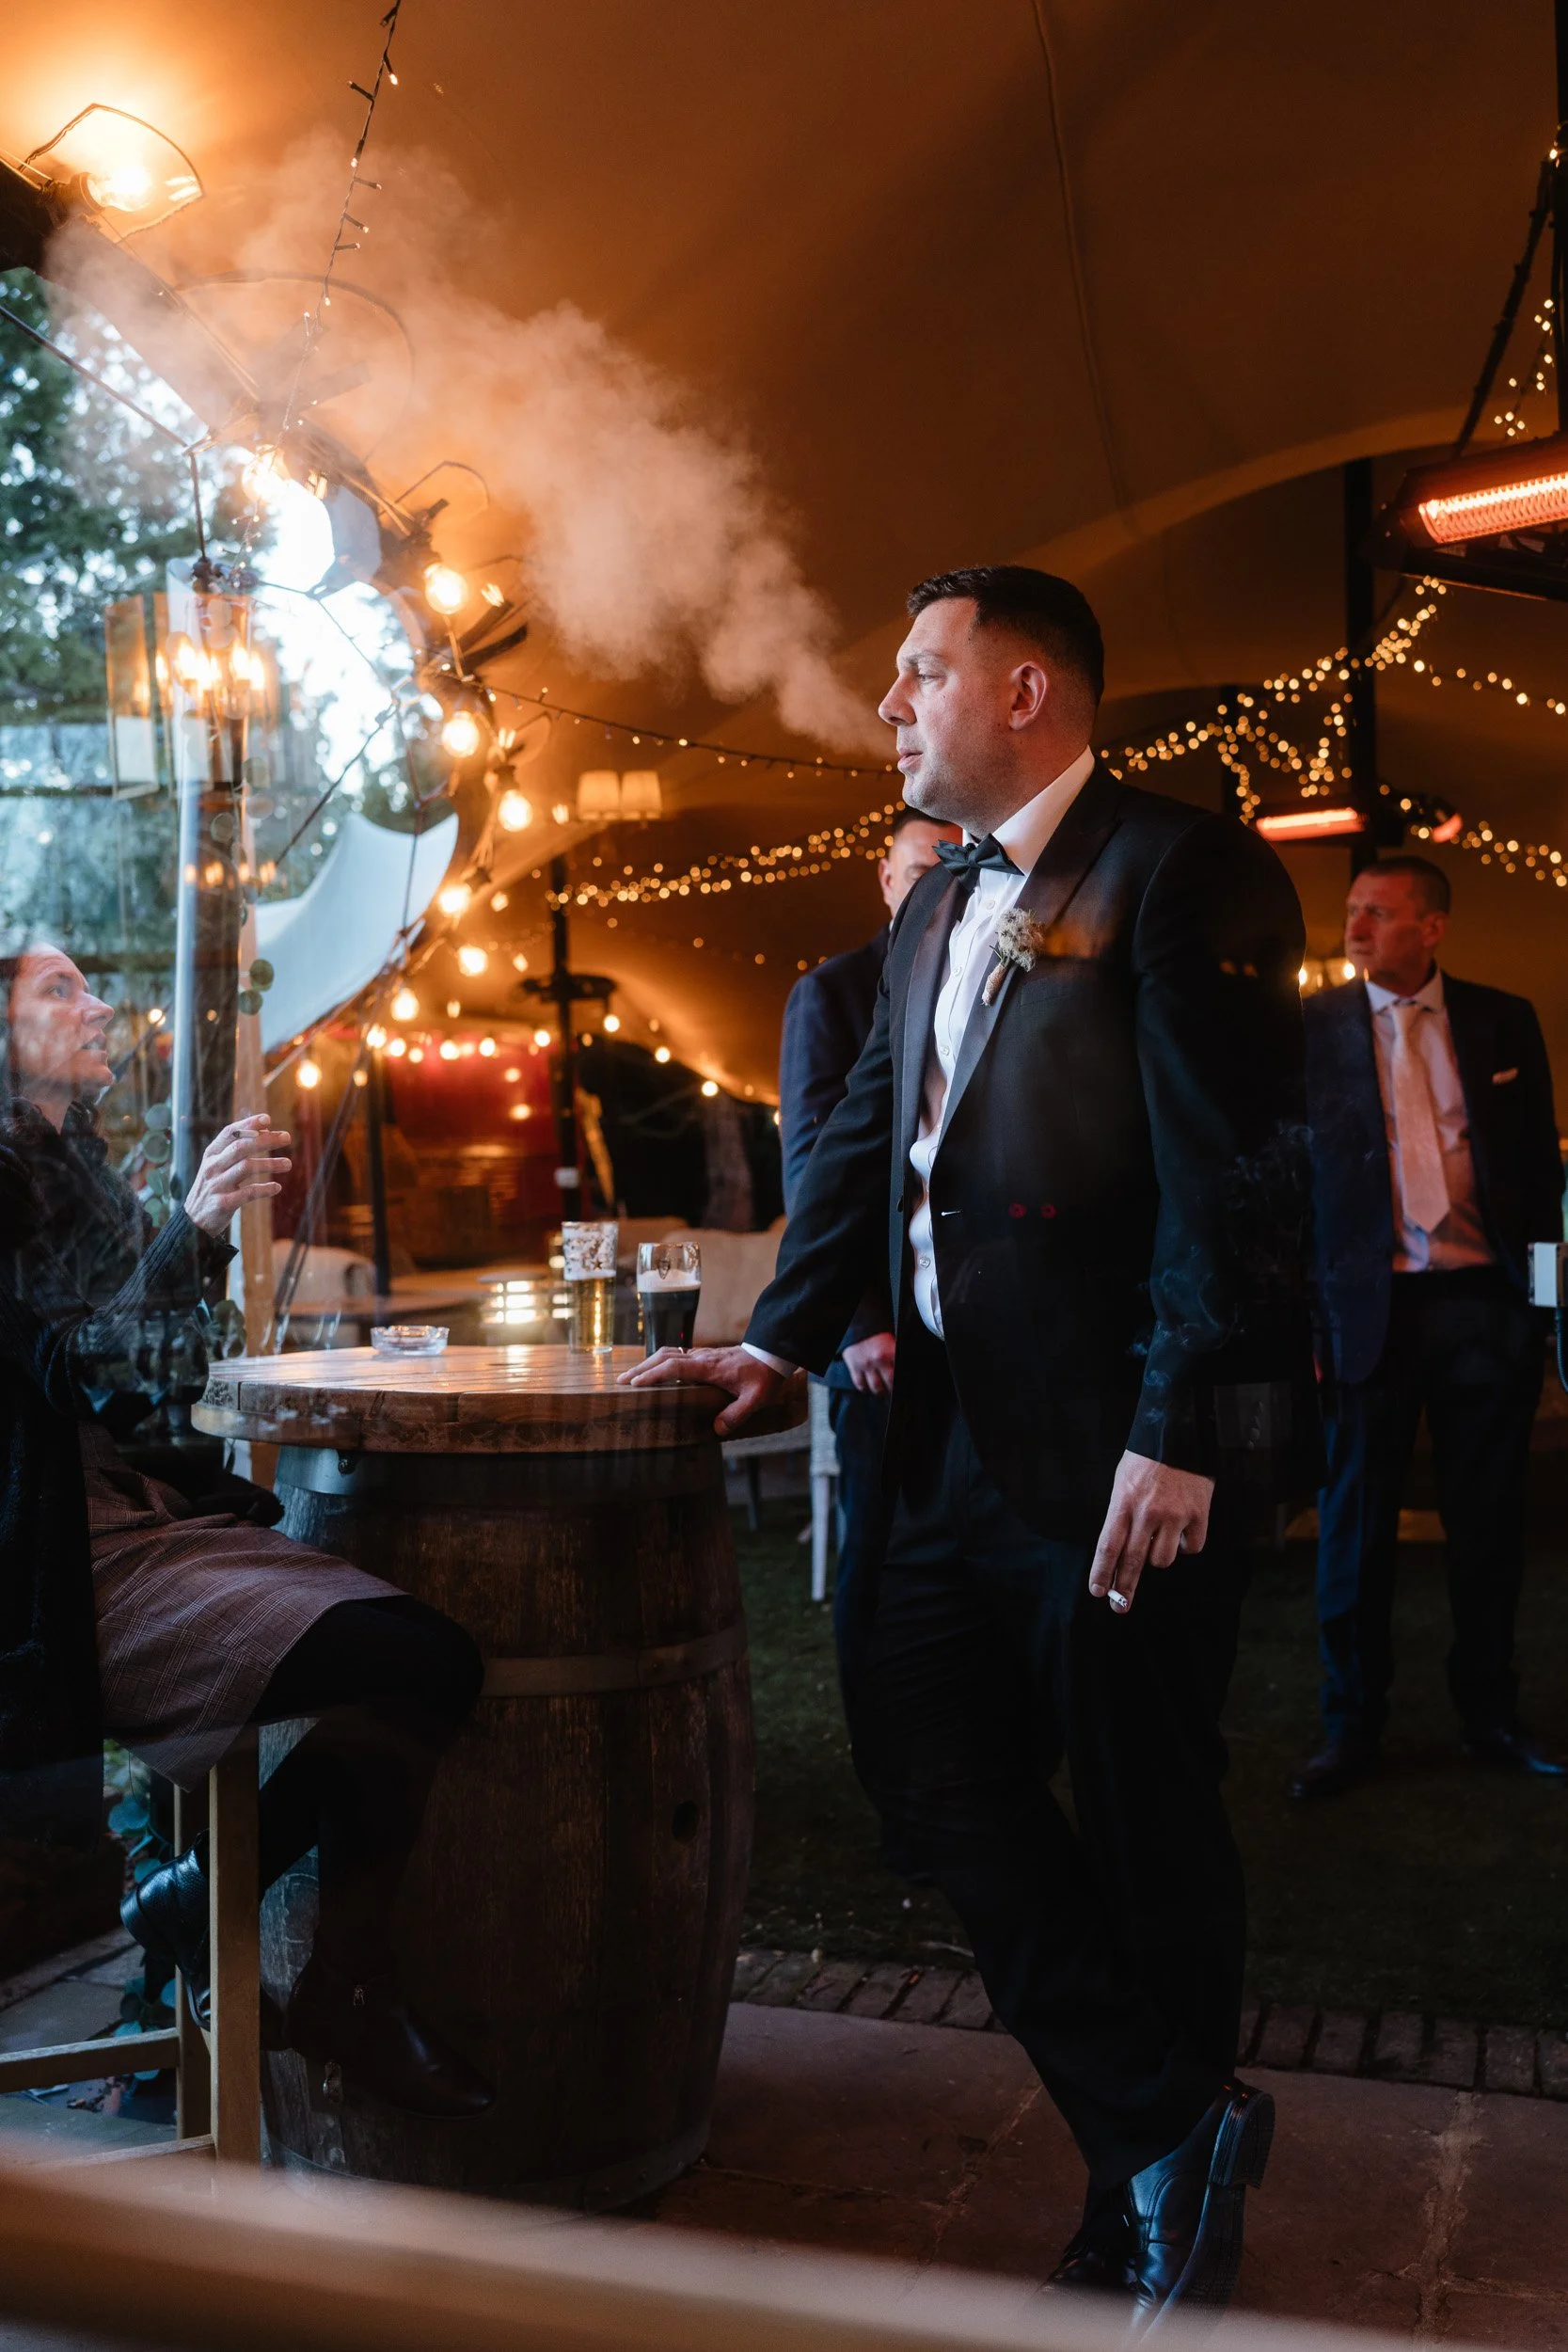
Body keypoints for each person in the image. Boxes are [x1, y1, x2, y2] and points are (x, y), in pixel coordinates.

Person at [626, 565, 1315, 2316]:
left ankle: (1142, 2193)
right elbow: (867, 1137)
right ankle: (1166, 2121)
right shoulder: (939, 909)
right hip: (931, 1444)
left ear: (1024, 693)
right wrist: (778, 1348)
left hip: (1117, 1452)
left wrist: (1174, 1430)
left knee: (1148, 1813)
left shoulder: (1185, 867)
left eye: (918, 672)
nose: (890, 706)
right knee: (922, 1771)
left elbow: (1236, 1175)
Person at [0, 945, 492, 2116]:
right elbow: (89, 1370)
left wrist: (194, 1237)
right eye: (57, 992)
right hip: (60, 1568)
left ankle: (250, 1929)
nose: (98, 1004)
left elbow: (157, 1370)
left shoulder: (72, 1167)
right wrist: (195, 1223)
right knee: (420, 1662)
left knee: (428, 1658)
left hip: (136, 1522)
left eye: (88, 985)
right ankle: (303, 1968)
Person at [1291, 859, 1565, 1800]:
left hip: (1482, 1307)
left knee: (1487, 1528)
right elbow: (1290, 1190)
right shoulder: (1311, 1030)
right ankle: (1348, 1726)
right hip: (1366, 1316)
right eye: (1350, 910)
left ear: (1431, 926)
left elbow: (1536, 1182)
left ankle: (1487, 1712)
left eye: (1377, 911)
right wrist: (1306, 1320)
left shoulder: (1501, 1019)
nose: (1355, 924)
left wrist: (1540, 1314)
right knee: (1351, 1532)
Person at [778, 804, 958, 1650]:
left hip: (974, 1324)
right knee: (879, 1544)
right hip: (878, 1338)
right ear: (887, 880)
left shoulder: (993, 974)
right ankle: (876, 1726)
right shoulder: (833, 992)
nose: (941, 889)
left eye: (958, 870)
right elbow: (817, 1167)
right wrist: (860, 1324)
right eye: (924, 871)